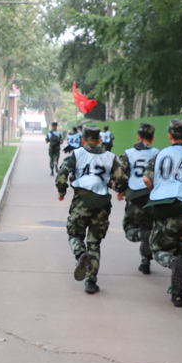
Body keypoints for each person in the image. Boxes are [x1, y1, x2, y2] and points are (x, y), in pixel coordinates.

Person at [143, 119, 182, 307]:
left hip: (165, 207)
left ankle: (170, 263)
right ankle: (178, 294)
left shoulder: (160, 154)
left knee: (159, 248)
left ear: (170, 135)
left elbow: (147, 178)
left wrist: (159, 189)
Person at [56, 126, 127, 294]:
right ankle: (91, 282)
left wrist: (61, 191)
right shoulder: (111, 157)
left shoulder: (77, 154)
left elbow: (61, 175)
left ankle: (80, 254)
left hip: (82, 199)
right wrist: (119, 191)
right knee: (94, 242)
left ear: (83, 140)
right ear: (100, 139)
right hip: (102, 202)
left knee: (74, 234)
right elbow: (122, 179)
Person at [115, 122, 159, 274]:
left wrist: (120, 191)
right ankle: (145, 262)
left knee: (130, 229)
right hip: (153, 196)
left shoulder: (129, 153)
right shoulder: (158, 153)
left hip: (134, 196)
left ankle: (142, 236)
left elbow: (121, 174)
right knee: (149, 226)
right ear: (153, 139)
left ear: (138, 137)